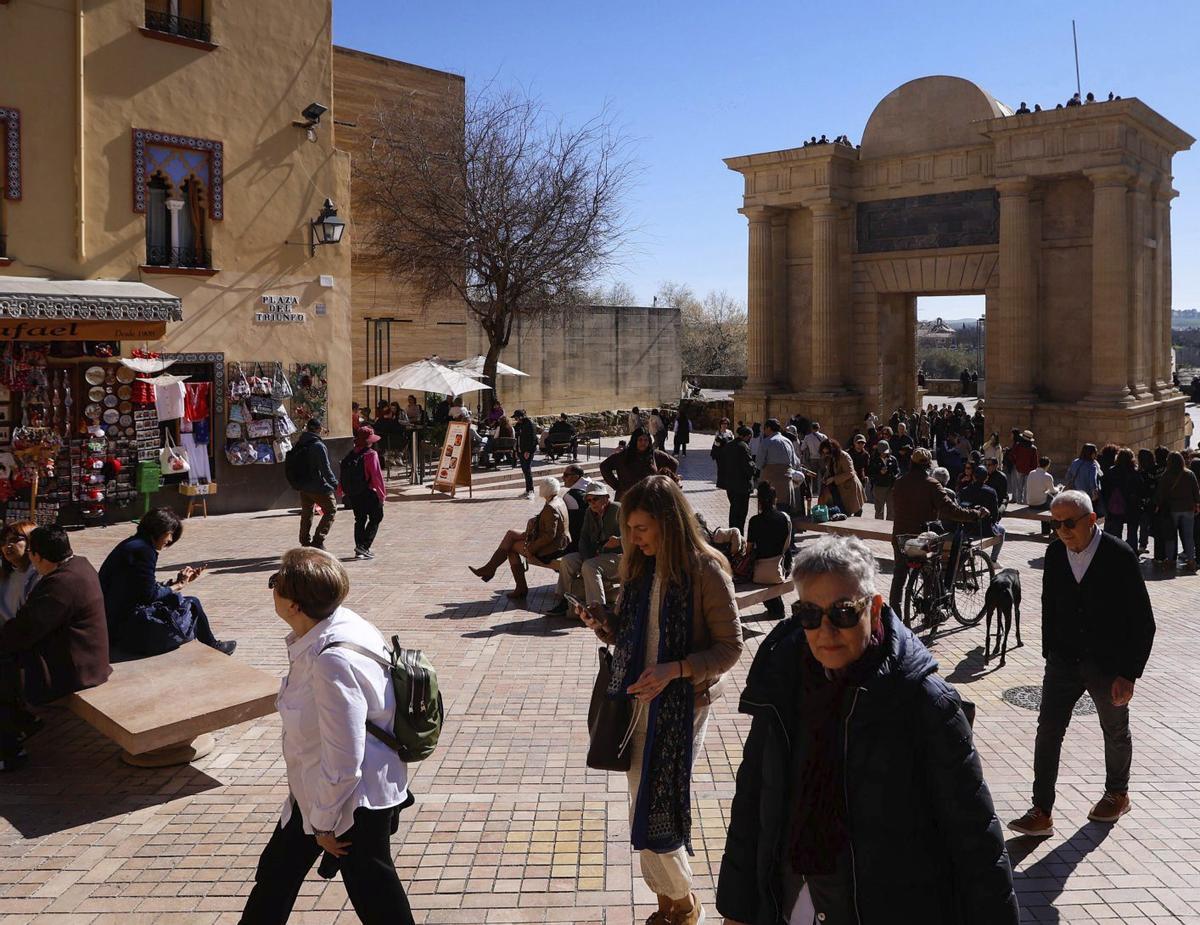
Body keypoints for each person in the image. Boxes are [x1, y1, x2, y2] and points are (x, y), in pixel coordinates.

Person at [718, 535, 1018, 925]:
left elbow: (976, 838)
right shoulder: (781, 686)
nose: (825, 632)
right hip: (792, 903)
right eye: (810, 614)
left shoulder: (924, 702)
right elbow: (754, 800)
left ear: (874, 609)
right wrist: (737, 909)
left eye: (843, 612)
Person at [579, 475, 742, 925]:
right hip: (637, 701)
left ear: (668, 525)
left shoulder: (706, 571)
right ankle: (669, 903)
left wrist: (676, 669)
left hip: (682, 705)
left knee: (658, 801)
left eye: (642, 529)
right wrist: (603, 624)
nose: (633, 537)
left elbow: (730, 648)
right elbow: (631, 634)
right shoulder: (637, 568)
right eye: (629, 528)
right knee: (641, 801)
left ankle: (685, 904)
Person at [240, 548, 413, 924]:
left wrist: (321, 825)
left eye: (275, 585)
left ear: (294, 606)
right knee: (275, 877)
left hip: (349, 803)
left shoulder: (331, 659)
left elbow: (345, 756)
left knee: (377, 898)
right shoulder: (338, 624)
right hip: (317, 790)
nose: (271, 590)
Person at [1008, 491, 1155, 838]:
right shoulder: (1055, 552)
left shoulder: (1119, 556)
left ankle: (1117, 793)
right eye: (1055, 524)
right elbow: (1049, 604)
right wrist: (1050, 653)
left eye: (1069, 523)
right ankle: (1041, 810)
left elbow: (1143, 620)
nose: (1062, 531)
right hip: (1063, 660)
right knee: (1048, 731)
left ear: (1092, 520)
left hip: (1108, 664)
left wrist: (1129, 673)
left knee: (1115, 728)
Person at [0, 527, 111, 772]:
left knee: (4, 671)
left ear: (37, 556)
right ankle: (22, 722)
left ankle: (10, 749)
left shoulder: (60, 584)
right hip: (84, 656)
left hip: (76, 668)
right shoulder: (78, 565)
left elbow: (24, 631)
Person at [98, 508, 236, 656]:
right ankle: (213, 645)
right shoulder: (144, 550)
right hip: (126, 626)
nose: (169, 540)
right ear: (159, 530)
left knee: (178, 602)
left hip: (114, 619)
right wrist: (179, 585)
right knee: (192, 604)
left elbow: (141, 587)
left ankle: (207, 643)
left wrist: (175, 583)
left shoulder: (132, 544)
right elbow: (148, 595)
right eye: (169, 534)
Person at [889, 448, 985, 612]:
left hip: (900, 537)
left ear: (911, 463)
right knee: (930, 570)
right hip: (922, 538)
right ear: (928, 466)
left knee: (899, 575)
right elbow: (952, 510)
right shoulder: (932, 485)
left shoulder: (899, 482)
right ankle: (930, 610)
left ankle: (894, 614)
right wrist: (975, 514)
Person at [469, 477, 569, 599]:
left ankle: (513, 583)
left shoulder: (550, 507)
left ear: (544, 489)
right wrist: (536, 520)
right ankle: (491, 570)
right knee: (511, 534)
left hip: (551, 548)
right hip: (558, 542)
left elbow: (549, 535)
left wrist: (531, 548)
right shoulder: (557, 500)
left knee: (511, 547)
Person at [547, 482, 622, 616]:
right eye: (589, 500)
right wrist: (587, 556)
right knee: (568, 560)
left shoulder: (618, 510)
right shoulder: (590, 512)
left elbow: (633, 535)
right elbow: (584, 539)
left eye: (595, 499)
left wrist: (619, 541)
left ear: (606, 497)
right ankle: (564, 601)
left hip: (618, 557)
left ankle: (598, 608)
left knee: (590, 566)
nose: (592, 503)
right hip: (597, 555)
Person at [286, 418, 338, 550]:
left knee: (307, 512)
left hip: (303, 485)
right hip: (318, 486)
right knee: (331, 510)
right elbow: (325, 468)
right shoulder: (318, 446)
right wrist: (334, 483)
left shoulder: (300, 442)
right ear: (318, 429)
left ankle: (304, 540)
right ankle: (318, 540)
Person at [747, 481, 793, 618]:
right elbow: (787, 544)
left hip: (760, 569)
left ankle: (775, 608)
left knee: (760, 571)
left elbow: (749, 549)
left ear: (759, 501)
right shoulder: (784, 518)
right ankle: (776, 608)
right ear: (775, 499)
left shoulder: (754, 521)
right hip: (783, 565)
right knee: (773, 572)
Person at [340, 426, 386, 561]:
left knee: (360, 519)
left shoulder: (350, 454)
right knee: (377, 517)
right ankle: (364, 547)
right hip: (368, 492)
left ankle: (360, 548)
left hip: (353, 493)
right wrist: (382, 495)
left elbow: (342, 474)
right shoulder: (371, 454)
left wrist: (341, 491)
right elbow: (377, 476)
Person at [599, 427, 678, 502]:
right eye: (640, 440)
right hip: (626, 498)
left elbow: (673, 463)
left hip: (648, 499)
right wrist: (616, 485)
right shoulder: (623, 456)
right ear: (635, 440)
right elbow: (604, 466)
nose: (643, 443)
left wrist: (662, 482)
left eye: (645, 440)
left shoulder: (654, 455)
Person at [1151, 451, 1200, 571]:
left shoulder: (1166, 475)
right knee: (1189, 536)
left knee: (1171, 536)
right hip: (1188, 509)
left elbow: (1160, 493)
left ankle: (1171, 560)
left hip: (1172, 509)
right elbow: (1196, 490)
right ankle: (1191, 561)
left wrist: (1157, 505)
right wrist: (1197, 504)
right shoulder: (1189, 474)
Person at [959, 463, 1005, 563]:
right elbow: (995, 514)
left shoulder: (964, 490)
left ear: (974, 476)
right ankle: (993, 559)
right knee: (1002, 530)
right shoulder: (991, 492)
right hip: (985, 528)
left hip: (968, 528)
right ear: (986, 478)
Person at [717, 426, 757, 533]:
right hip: (742, 486)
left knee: (734, 509)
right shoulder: (743, 446)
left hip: (730, 484)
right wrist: (755, 470)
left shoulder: (728, 445)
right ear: (748, 436)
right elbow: (748, 466)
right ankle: (739, 536)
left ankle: (732, 534)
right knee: (741, 513)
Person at [1100, 448, 1142, 548]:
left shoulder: (1111, 471)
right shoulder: (1135, 473)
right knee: (1132, 532)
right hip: (1132, 505)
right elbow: (1140, 489)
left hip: (1116, 505)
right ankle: (1131, 552)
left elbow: (1104, 489)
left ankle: (1116, 551)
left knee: (1115, 531)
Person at [756, 419, 798, 514]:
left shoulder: (766, 442)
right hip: (786, 482)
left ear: (769, 428)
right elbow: (794, 462)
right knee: (784, 511)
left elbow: (759, 464)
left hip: (770, 483)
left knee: (768, 510)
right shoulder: (788, 441)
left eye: (765, 428)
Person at [0, 522, 39, 625]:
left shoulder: (38, 576)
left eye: (14, 540)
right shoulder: (6, 573)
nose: (7, 546)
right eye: (3, 542)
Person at [817, 438, 865, 517]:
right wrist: (825, 478)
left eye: (827, 452)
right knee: (840, 508)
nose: (826, 454)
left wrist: (833, 479)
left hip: (849, 486)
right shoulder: (829, 457)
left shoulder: (844, 456)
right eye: (824, 452)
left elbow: (850, 472)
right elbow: (830, 470)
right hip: (838, 486)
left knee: (852, 506)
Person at [1025, 456, 1059, 537]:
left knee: (1045, 499)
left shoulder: (1031, 473)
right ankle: (1054, 528)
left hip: (1030, 502)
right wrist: (1058, 489)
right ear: (1048, 465)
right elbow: (1053, 491)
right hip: (1041, 504)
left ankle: (1046, 530)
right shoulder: (1047, 476)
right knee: (1054, 501)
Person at [867, 440, 899, 520]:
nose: (884, 453)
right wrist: (879, 473)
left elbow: (897, 471)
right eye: (882, 452)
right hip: (879, 487)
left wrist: (894, 477)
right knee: (879, 510)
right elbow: (870, 473)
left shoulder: (893, 459)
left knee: (891, 509)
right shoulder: (873, 460)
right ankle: (878, 528)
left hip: (891, 487)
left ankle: (889, 527)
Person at [513, 409, 537, 499]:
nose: (516, 420)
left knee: (527, 470)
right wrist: (516, 451)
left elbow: (532, 439)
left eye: (516, 418)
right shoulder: (519, 425)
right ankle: (528, 490)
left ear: (521, 417)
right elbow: (516, 436)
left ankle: (531, 490)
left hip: (527, 451)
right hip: (520, 450)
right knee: (525, 470)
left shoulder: (530, 424)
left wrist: (528, 451)